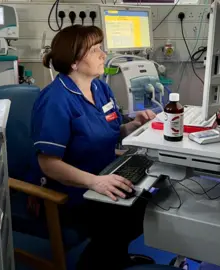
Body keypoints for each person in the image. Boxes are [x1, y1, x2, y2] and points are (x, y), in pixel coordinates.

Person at [30, 25, 157, 270]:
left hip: (103, 176)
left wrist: (132, 126)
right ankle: (96, 262)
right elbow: (48, 163)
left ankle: (113, 257)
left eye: (101, 48)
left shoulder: (100, 88)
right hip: (71, 193)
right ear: (75, 62)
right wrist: (94, 182)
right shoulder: (55, 99)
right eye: (95, 50)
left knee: (150, 200)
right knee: (127, 216)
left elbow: (108, 132)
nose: (103, 54)